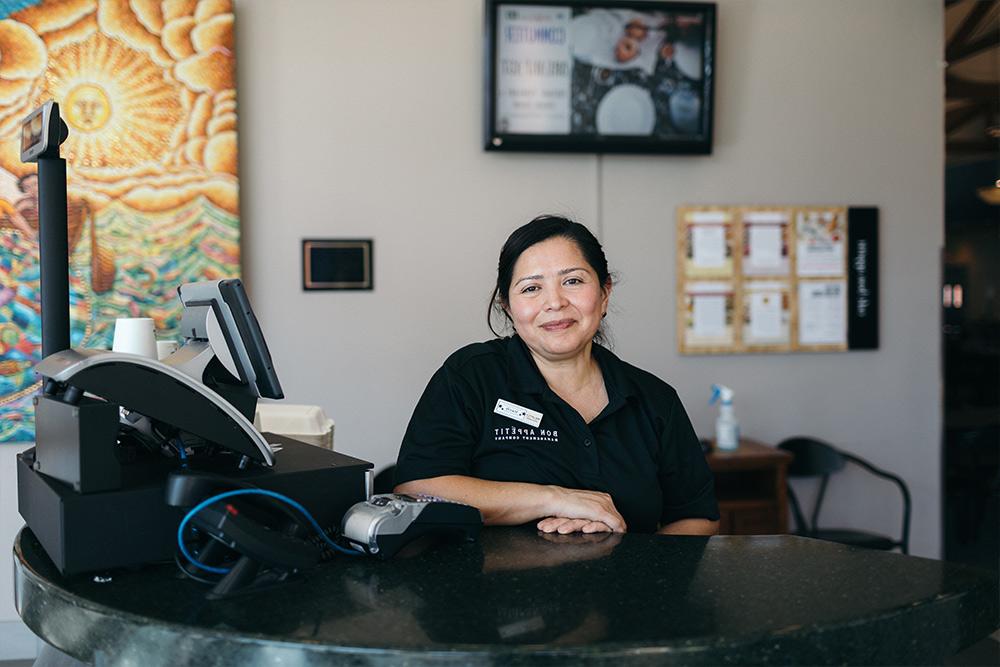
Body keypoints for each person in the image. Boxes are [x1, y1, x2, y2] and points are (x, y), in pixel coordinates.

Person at [394, 215, 719, 535]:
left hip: (624, 588)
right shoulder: (470, 377)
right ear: (507, 305)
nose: (554, 302)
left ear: (604, 293)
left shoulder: (654, 398)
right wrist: (557, 499)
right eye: (532, 288)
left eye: (573, 281)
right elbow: (417, 489)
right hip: (492, 587)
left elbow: (696, 516)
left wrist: (637, 574)